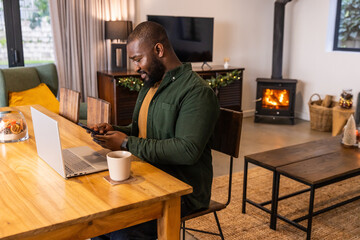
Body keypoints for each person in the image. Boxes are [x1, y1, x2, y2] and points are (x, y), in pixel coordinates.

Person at [91, 21, 219, 240]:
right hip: (150, 176)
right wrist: (115, 131)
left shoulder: (196, 92)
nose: (136, 67)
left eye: (138, 59)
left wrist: (125, 143)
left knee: (122, 230)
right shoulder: (151, 85)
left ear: (159, 50)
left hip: (184, 190)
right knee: (98, 217)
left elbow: (187, 150)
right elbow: (140, 130)